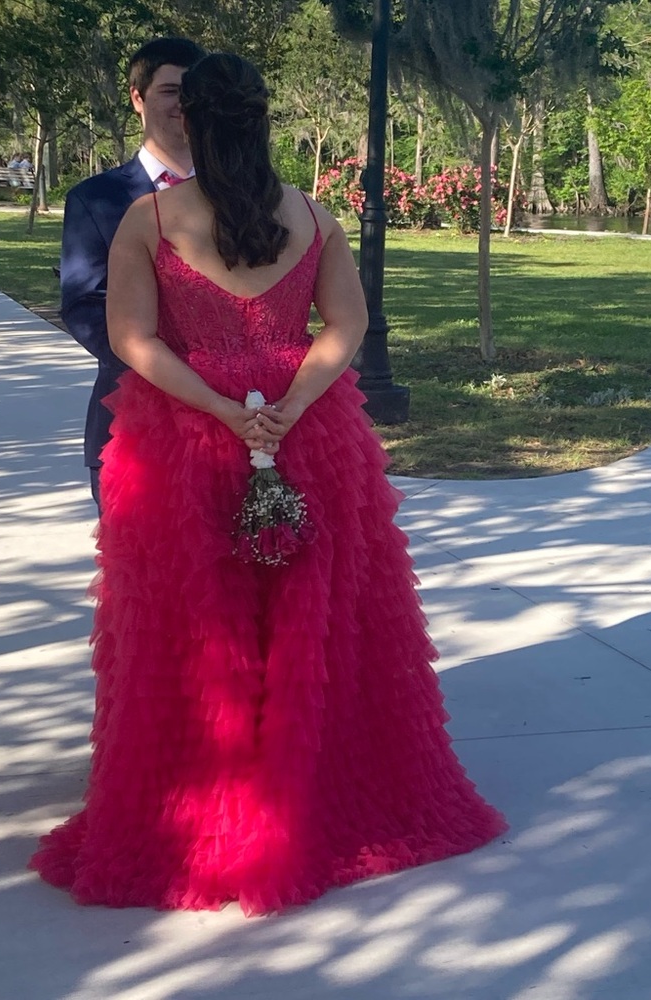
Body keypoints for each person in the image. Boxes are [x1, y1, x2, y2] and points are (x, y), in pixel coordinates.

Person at [29, 52, 506, 914]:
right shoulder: (312, 215)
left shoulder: (151, 218)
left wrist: (219, 404)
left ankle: (204, 802)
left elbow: (133, 341)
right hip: (308, 433)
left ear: (199, 122)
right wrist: (287, 407)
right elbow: (349, 323)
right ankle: (307, 792)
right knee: (311, 614)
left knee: (190, 623)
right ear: (261, 121)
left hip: (182, 438)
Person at [59, 37, 204, 508]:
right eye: (169, 91)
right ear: (136, 98)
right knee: (141, 576)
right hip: (132, 416)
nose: (183, 104)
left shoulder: (241, 195)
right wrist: (174, 367)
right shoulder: (96, 199)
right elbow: (85, 306)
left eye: (193, 92)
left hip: (235, 421)